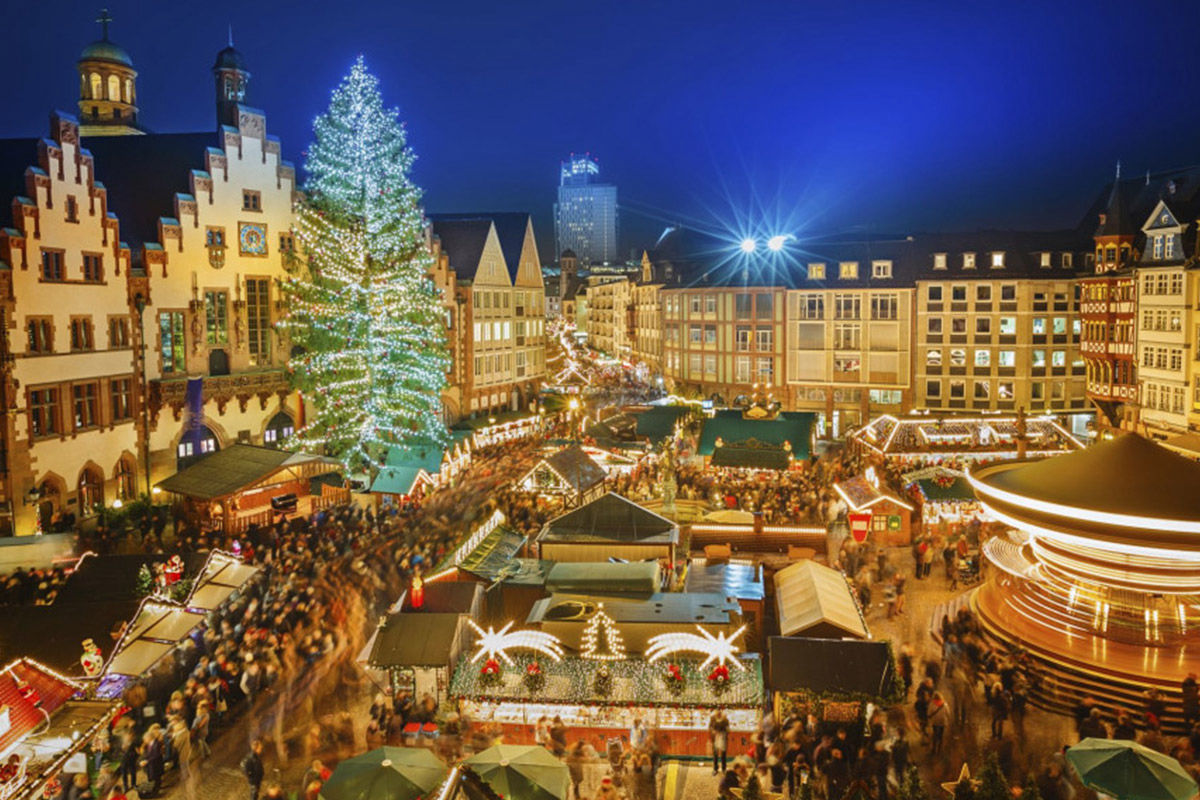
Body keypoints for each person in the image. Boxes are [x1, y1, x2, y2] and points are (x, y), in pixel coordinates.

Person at [709, 709, 730, 775]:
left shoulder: (725, 719)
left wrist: (724, 732)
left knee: (723, 754)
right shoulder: (712, 719)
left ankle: (724, 768)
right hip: (715, 738)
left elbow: (728, 729)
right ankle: (715, 768)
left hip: (723, 738)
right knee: (715, 754)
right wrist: (713, 732)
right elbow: (710, 727)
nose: (718, 712)